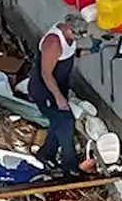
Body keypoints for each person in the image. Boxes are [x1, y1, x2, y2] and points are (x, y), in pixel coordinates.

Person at [26, 20, 84, 175]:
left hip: (59, 87)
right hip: (45, 91)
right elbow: (46, 74)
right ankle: (70, 164)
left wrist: (88, 51)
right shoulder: (53, 43)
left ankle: (46, 154)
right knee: (66, 122)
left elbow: (69, 54)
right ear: (68, 28)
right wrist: (58, 97)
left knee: (57, 122)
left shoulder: (68, 39)